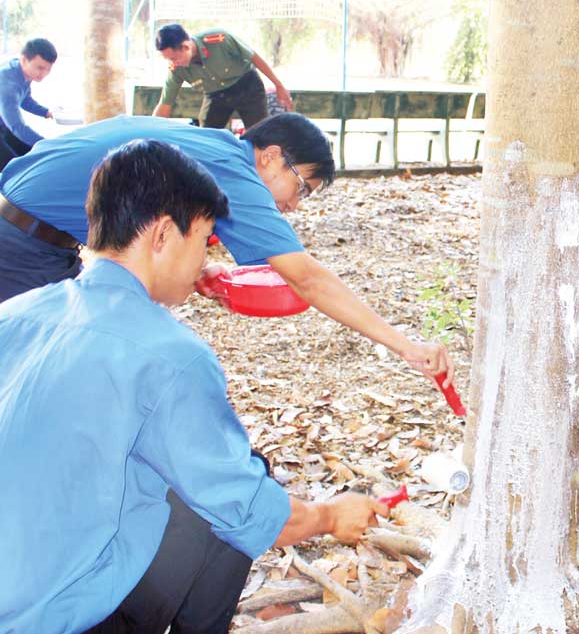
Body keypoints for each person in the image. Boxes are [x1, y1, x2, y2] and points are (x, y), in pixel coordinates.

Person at [0, 140, 389, 634]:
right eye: (204, 238)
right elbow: (246, 507)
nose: (207, 254)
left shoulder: (16, 312)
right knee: (233, 490)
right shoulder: (170, 354)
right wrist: (332, 516)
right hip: (54, 617)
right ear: (163, 234)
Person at [0, 113, 452, 386]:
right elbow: (306, 278)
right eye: (302, 188)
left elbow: (140, 233)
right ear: (271, 156)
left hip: (35, 231)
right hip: (20, 245)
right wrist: (404, 344)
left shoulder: (208, 144)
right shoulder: (235, 168)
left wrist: (193, 274)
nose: (294, 205)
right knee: (40, 376)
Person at [153, 23, 293, 128]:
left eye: (174, 58)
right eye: (169, 60)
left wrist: (278, 85)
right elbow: (165, 103)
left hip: (247, 86)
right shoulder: (176, 69)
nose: (173, 63)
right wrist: (149, 132)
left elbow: (253, 57)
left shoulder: (219, 40)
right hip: (216, 95)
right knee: (207, 137)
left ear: (186, 47)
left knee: (260, 136)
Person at [0, 37, 57, 170]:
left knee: (32, 153)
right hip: (9, 125)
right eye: (40, 68)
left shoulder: (21, 70)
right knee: (15, 169)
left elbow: (25, 99)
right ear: (24, 60)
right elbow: (17, 126)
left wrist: (45, 112)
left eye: (48, 69)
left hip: (4, 124)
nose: (44, 74)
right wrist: (48, 144)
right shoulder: (8, 85)